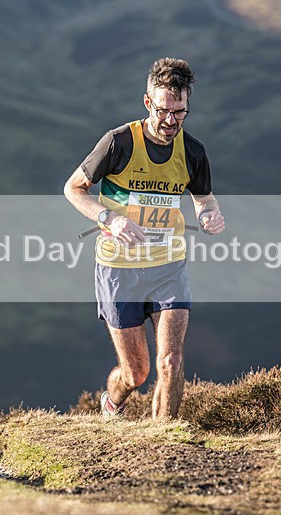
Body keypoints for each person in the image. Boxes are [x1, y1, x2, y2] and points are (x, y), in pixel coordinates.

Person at [64, 57, 224, 420]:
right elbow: (73, 188)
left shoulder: (192, 151)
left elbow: (204, 198)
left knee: (171, 361)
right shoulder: (118, 142)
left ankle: (165, 437)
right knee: (136, 373)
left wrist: (209, 214)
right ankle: (112, 403)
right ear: (148, 102)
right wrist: (109, 218)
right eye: (163, 110)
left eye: (179, 112)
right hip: (119, 269)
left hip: (169, 266)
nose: (171, 121)